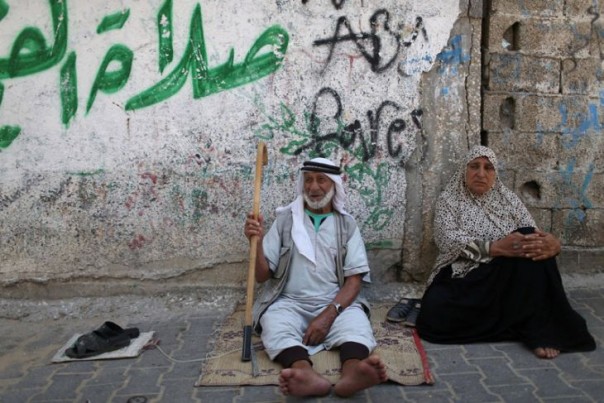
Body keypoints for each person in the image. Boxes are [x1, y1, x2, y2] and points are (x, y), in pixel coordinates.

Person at [415, 145, 596, 359]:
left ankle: (541, 331)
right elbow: (447, 240)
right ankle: (520, 323)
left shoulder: (508, 200)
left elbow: (534, 234)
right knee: (434, 312)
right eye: (474, 166)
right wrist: (496, 247)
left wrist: (554, 245)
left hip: (504, 278)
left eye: (488, 168)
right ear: (464, 170)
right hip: (465, 276)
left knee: (531, 240)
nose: (480, 173)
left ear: (495, 173)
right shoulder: (450, 200)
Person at [243, 157, 387, 397]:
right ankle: (305, 374)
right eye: (308, 180)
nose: (313, 187)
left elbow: (354, 281)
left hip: (334, 302)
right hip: (288, 301)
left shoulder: (346, 225)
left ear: (334, 185)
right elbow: (261, 276)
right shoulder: (285, 220)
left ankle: (353, 373)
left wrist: (328, 316)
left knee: (356, 325)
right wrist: (255, 244)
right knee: (274, 324)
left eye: (321, 180)